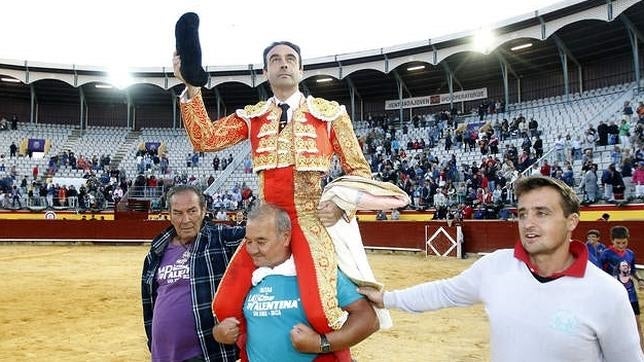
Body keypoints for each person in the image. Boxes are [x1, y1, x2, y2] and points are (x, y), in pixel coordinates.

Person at [174, 40, 373, 342]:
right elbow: (206, 139)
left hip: (309, 220)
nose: (284, 63)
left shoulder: (330, 115)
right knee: (225, 304)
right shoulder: (253, 117)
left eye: (290, 58)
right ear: (265, 71)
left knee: (321, 311)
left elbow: (360, 171)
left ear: (301, 69)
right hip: (266, 222)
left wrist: (341, 205)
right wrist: (191, 88)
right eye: (276, 59)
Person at [358, 176, 643, 361]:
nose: (528, 223)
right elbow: (443, 292)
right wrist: (388, 298)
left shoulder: (608, 294)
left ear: (572, 221)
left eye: (542, 213)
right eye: (522, 214)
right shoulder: (496, 266)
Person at [213, 204, 378, 361]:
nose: (252, 249)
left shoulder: (318, 273)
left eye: (261, 242)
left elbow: (368, 319)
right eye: (248, 241)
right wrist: (219, 333)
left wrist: (321, 343)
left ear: (285, 237)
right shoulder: (248, 278)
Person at [141, 185, 245, 362]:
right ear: (170, 214)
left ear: (204, 211)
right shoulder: (157, 250)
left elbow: (266, 233)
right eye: (178, 213)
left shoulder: (220, 239)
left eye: (192, 211)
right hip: (163, 353)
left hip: (205, 353)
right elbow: (149, 303)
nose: (185, 219)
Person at [617, 260, 643, 346]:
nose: (621, 245)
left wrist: (639, 279)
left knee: (637, 324)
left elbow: (634, 271)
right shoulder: (606, 254)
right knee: (620, 325)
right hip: (618, 298)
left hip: (632, 297)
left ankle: (642, 352)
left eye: (627, 266)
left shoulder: (630, 254)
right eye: (619, 244)